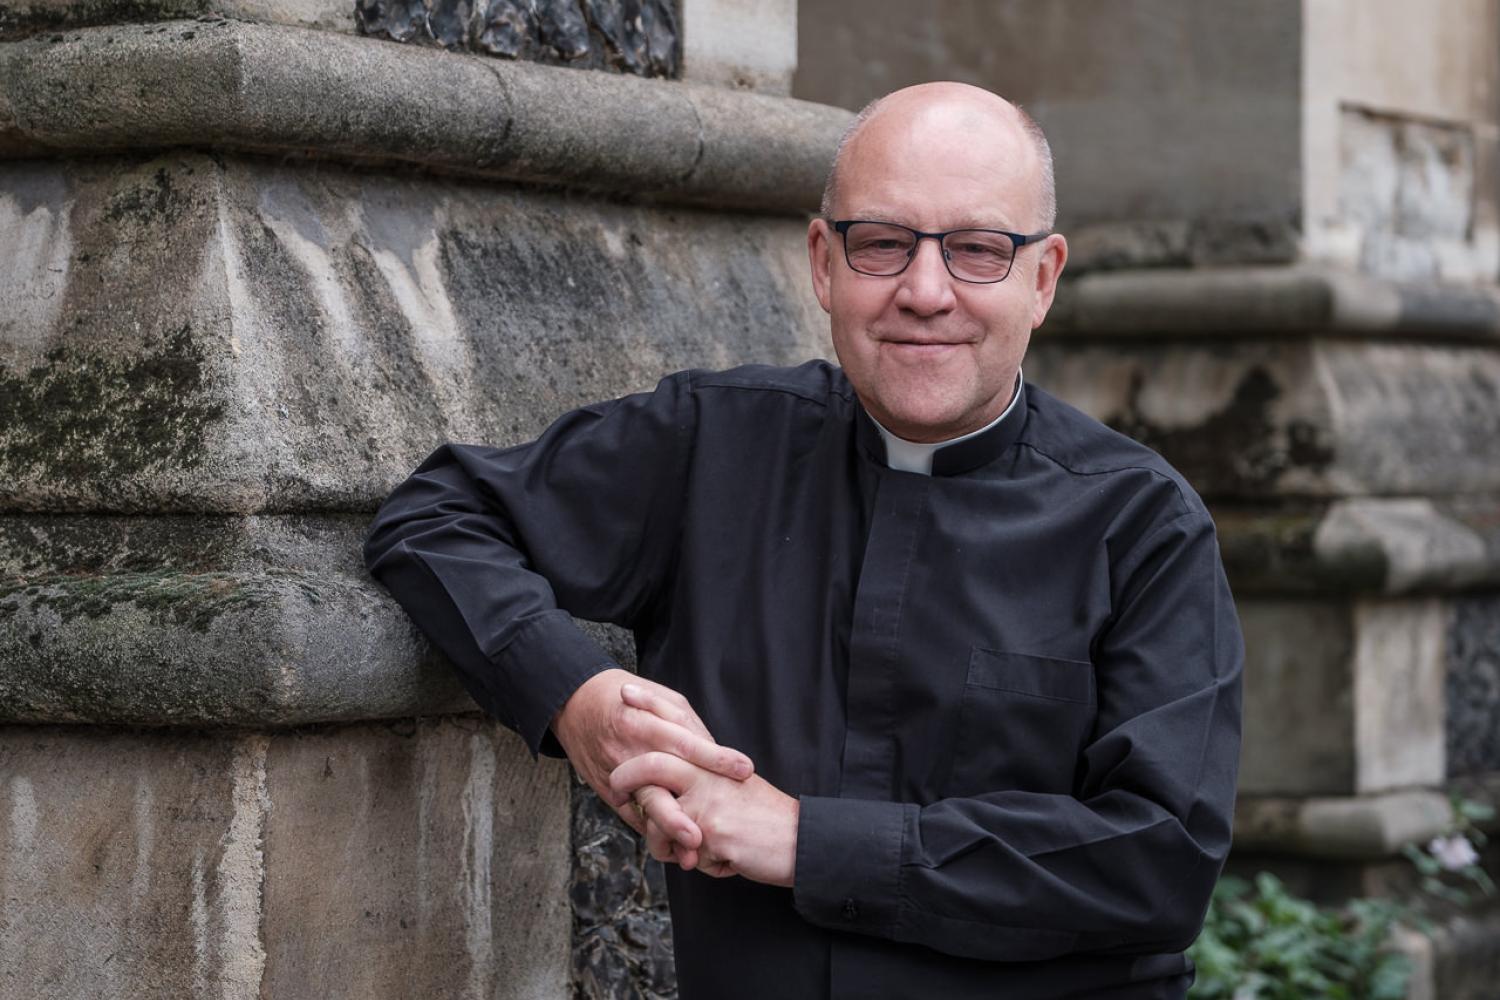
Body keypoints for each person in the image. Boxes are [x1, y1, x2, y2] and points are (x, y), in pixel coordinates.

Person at [364, 81, 1243, 999]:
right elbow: (433, 515)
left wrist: (801, 840)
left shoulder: (1144, 523)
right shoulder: (710, 444)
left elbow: (1159, 861)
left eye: (978, 250)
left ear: (1044, 278)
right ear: (824, 262)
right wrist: (576, 701)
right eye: (883, 244)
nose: (925, 292)